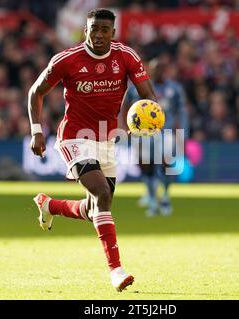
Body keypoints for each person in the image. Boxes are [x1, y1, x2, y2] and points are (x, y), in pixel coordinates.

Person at [27, 8, 157, 292]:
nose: (98, 35)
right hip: (75, 137)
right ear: (85, 30)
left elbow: (148, 96)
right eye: (93, 29)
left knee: (96, 206)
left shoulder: (126, 56)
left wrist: (152, 116)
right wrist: (37, 131)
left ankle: (51, 206)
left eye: (104, 30)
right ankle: (116, 271)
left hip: (107, 139)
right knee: (102, 194)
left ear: (113, 32)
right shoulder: (68, 59)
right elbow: (36, 91)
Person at [121, 58, 188, 217]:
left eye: (161, 69)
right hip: (142, 133)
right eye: (155, 69)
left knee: (166, 163)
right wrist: (125, 127)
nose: (158, 72)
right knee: (146, 165)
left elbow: (182, 112)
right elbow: (125, 107)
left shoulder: (174, 89)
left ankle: (164, 195)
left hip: (166, 132)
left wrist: (182, 133)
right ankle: (151, 197)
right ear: (149, 70)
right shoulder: (136, 88)